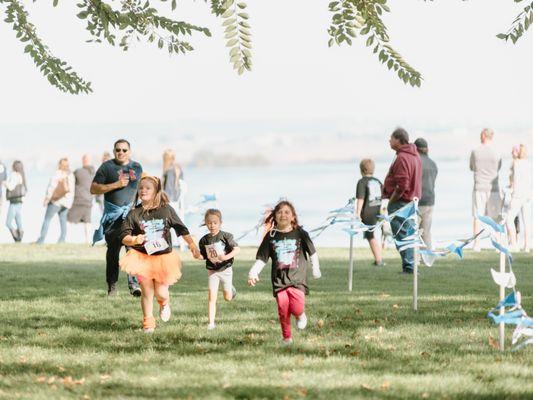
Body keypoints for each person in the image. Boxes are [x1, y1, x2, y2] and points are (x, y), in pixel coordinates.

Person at [119, 175, 201, 333]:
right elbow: (124, 237)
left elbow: (181, 229)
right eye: (141, 188)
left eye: (147, 188)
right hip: (142, 258)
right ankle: (148, 323)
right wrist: (135, 239)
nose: (143, 191)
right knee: (147, 291)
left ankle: (164, 304)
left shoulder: (166, 210)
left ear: (156, 191)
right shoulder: (134, 214)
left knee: (161, 293)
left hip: (163, 259)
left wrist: (192, 245)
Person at [248, 200, 321, 345]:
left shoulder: (300, 233)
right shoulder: (271, 236)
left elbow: (312, 252)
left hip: (297, 280)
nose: (283, 215)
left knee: (296, 307)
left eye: (287, 212)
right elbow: (262, 258)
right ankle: (287, 337)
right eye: (279, 212)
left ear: (293, 216)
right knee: (283, 309)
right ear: (274, 216)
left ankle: (300, 315)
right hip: (279, 280)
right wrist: (253, 272)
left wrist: (316, 268)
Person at [91, 139, 143, 296]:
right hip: (113, 217)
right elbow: (93, 188)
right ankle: (112, 286)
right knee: (113, 253)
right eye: (118, 150)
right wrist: (115, 185)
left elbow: (139, 187)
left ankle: (134, 286)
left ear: (130, 152)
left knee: (132, 250)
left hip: (130, 216)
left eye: (124, 150)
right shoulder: (107, 167)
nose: (121, 152)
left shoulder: (137, 167)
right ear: (114, 151)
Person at [382, 128, 422, 274]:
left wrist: (391, 201)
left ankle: (409, 266)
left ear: (399, 140)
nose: (389, 140)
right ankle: (410, 265)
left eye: (391, 138)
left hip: (401, 202)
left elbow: (402, 185)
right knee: (408, 234)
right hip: (411, 201)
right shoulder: (414, 155)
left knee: (402, 235)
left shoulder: (402, 157)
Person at [198, 209, 240, 330]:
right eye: (209, 223)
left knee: (227, 298)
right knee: (212, 297)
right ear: (206, 223)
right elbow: (203, 256)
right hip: (212, 271)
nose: (212, 225)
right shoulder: (204, 240)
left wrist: (225, 257)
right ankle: (211, 323)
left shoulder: (226, 236)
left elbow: (237, 249)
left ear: (220, 222)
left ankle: (230, 290)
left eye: (215, 222)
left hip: (226, 270)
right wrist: (197, 255)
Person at [470, 128, 502, 251]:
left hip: (479, 187)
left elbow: (472, 167)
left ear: (483, 135)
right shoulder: (497, 152)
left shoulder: (475, 151)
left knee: (477, 217)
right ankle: (498, 244)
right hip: (493, 189)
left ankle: (476, 244)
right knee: (495, 218)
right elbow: (498, 167)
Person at [36, 158, 75, 244]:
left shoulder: (57, 174)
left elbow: (51, 188)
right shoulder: (71, 175)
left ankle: (41, 240)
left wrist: (47, 199)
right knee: (63, 221)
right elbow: (72, 190)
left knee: (47, 219)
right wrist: (70, 202)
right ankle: (62, 239)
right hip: (67, 203)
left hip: (56, 201)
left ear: (60, 165)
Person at [355, 159, 384, 266]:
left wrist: (358, 213)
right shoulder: (377, 181)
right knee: (373, 235)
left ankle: (379, 260)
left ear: (361, 170)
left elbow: (361, 198)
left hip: (367, 212)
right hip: (377, 210)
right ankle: (379, 257)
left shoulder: (362, 182)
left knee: (370, 236)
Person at [414, 138, 438, 250]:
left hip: (418, 201)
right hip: (430, 200)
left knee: (414, 232)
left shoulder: (416, 162)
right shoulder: (433, 164)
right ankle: (428, 258)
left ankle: (415, 259)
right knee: (426, 232)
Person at [506, 144, 531, 252]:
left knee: (509, 219)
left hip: (518, 195)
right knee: (527, 221)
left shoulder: (517, 164)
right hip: (528, 195)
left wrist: (512, 196)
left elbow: (515, 181)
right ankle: (527, 246)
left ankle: (514, 244)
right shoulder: (529, 164)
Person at [67, 154, 95, 243]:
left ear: (83, 161)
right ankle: (88, 240)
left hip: (78, 200)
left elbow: (70, 182)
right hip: (89, 201)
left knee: (69, 219)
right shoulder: (94, 172)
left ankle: (67, 239)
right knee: (87, 222)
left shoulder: (78, 172)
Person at [162, 149, 186, 249]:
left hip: (170, 199)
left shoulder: (169, 169)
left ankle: (175, 243)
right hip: (176, 199)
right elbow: (182, 185)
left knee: (168, 222)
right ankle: (181, 243)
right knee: (177, 222)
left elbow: (167, 187)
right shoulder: (176, 168)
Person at [4, 160, 26, 242]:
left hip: (14, 202)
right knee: (18, 221)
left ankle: (16, 237)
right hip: (20, 202)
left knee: (8, 223)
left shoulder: (14, 175)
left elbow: (10, 187)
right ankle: (19, 237)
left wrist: (4, 183)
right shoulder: (22, 176)